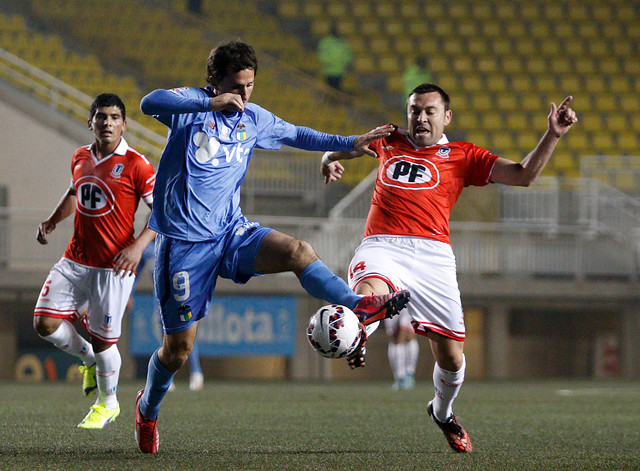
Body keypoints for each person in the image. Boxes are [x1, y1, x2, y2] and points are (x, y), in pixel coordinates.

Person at [134, 40, 410, 454]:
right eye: (235, 85)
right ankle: (148, 408)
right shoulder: (191, 105)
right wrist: (211, 104)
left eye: (249, 86)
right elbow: (147, 102)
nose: (243, 95)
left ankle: (357, 305)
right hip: (183, 247)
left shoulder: (254, 119)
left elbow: (297, 133)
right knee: (178, 350)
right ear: (214, 80)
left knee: (297, 251)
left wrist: (349, 142)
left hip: (230, 233)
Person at [321, 83, 578, 453]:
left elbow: (523, 175)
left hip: (434, 256)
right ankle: (359, 326)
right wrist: (327, 161)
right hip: (382, 244)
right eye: (414, 110)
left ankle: (442, 412)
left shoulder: (463, 155)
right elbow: (337, 147)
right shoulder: (386, 138)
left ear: (447, 116)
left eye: (429, 111)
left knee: (453, 359)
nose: (420, 118)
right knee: (368, 293)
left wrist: (552, 135)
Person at [34, 93, 157, 429]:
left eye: (115, 117)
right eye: (101, 117)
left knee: (105, 341)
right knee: (44, 323)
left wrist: (138, 248)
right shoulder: (79, 156)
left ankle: (109, 403)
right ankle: (87, 359)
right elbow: (76, 192)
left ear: (124, 124)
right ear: (90, 122)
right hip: (75, 259)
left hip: (113, 266)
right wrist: (52, 220)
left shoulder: (136, 163)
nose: (107, 123)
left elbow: (162, 210)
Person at [128, 243, 205, 392]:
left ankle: (196, 372)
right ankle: (168, 377)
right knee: (164, 336)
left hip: (182, 297)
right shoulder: (148, 250)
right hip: (160, 300)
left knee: (186, 331)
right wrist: (129, 293)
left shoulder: (177, 242)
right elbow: (136, 272)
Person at [385, 311, 419, 390]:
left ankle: (409, 374)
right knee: (394, 338)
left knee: (409, 335)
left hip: (407, 302)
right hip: (390, 302)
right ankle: (399, 376)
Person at [316, 25, 353, 91]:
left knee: (337, 89)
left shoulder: (343, 42)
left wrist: (346, 62)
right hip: (329, 71)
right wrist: (328, 62)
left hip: (340, 71)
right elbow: (321, 54)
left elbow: (348, 54)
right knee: (330, 90)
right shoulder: (326, 41)